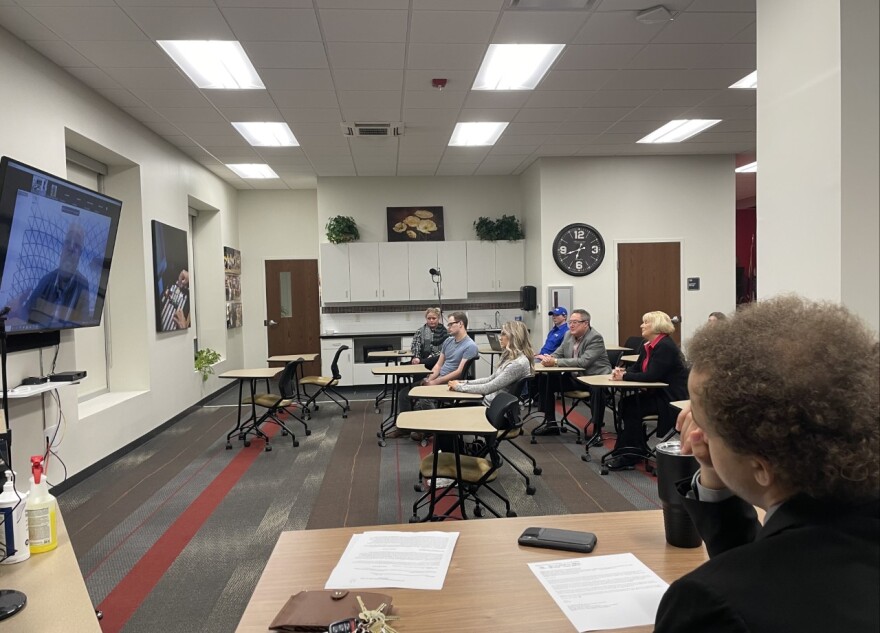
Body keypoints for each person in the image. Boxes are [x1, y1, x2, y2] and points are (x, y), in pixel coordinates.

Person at [654, 296, 879, 633]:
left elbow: (753, 588)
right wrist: (714, 472)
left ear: (761, 466)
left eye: (704, 425)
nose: (695, 434)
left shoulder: (711, 605)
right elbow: (773, 563)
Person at [607, 310, 688, 470]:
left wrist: (624, 378)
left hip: (670, 398)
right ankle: (633, 449)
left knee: (631, 407)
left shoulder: (665, 346)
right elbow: (637, 369)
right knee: (626, 404)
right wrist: (622, 373)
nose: (641, 325)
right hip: (656, 393)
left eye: (646, 322)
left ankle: (630, 454)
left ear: (657, 326)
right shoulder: (647, 346)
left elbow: (652, 375)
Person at [387, 311, 479, 440]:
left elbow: (459, 372)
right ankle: (405, 429)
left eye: (451, 324)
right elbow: (438, 365)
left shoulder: (470, 346)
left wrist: (435, 382)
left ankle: (431, 429)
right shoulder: (448, 341)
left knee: (424, 398)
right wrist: (430, 379)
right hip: (438, 378)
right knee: (404, 393)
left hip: (451, 383)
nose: (448, 328)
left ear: (460, 324)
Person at [533, 309, 611, 436]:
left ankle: (597, 431)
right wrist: (548, 358)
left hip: (593, 377)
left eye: (575, 322)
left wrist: (556, 361)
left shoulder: (595, 337)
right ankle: (550, 423)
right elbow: (559, 353)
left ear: (585, 323)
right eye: (570, 322)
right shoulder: (569, 335)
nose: (571, 325)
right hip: (576, 378)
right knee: (546, 379)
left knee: (598, 390)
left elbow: (583, 362)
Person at [21, 222, 91, 327]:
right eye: (68, 242)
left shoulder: (83, 285)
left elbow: (83, 326)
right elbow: (25, 316)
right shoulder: (46, 281)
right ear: (62, 249)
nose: (71, 249)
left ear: (80, 254)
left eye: (76, 245)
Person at [449, 320, 534, 406]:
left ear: (514, 337)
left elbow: (488, 388)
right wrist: (463, 383)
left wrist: (459, 387)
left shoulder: (517, 364)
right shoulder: (511, 358)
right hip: (490, 403)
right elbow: (490, 379)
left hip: (490, 408)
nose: (500, 338)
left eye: (504, 334)